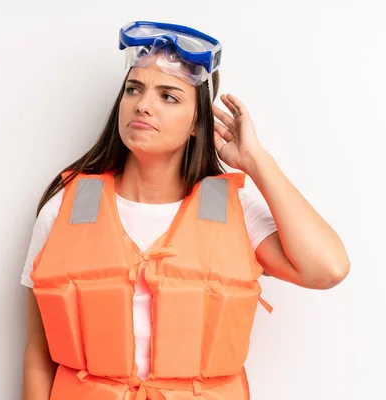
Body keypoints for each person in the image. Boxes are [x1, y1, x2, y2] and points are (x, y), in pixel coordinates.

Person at [20, 21, 350, 400]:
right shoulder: (64, 207)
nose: (143, 104)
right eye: (134, 89)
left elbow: (328, 268)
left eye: (169, 96)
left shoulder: (233, 211)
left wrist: (257, 162)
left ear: (197, 124)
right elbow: (37, 357)